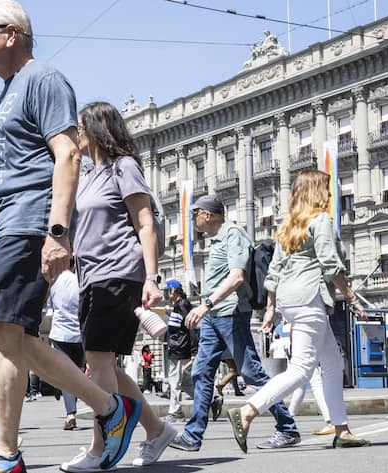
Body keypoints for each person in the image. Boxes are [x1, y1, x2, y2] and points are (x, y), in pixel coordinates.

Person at [0, 2, 141, 471]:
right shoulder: (5, 93)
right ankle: (107, 408)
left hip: (30, 220)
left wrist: (57, 232)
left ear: (12, 34)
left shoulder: (44, 79)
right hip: (6, 222)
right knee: (10, 335)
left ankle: (8, 452)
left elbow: (68, 156)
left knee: (3, 334)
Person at [61, 101, 179, 471]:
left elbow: (145, 223)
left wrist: (150, 277)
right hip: (91, 278)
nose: (75, 135)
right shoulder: (89, 174)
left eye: (79, 128)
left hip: (119, 274)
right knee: (105, 365)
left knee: (96, 362)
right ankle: (157, 430)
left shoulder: (123, 167)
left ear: (96, 130)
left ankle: (101, 449)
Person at [225, 170, 369, 452]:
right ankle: (247, 411)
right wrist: (351, 297)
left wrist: (270, 307)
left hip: (292, 301)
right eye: (326, 188)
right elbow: (331, 265)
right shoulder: (321, 220)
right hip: (309, 298)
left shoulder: (289, 224)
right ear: (316, 191)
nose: (330, 194)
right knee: (301, 369)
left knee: (332, 363)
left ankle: (342, 429)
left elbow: (275, 271)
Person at [170, 194, 300, 452]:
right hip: (214, 317)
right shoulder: (217, 239)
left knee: (252, 372)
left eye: (195, 214)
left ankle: (287, 428)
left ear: (208, 214)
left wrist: (205, 305)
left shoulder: (233, 235)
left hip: (231, 314)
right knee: (201, 372)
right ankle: (193, 435)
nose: (193, 219)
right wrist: (208, 308)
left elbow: (237, 277)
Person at [46, 259, 84, 431]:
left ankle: (70, 413)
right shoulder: (80, 280)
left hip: (60, 334)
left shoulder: (53, 283)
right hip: (79, 335)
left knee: (66, 375)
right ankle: (70, 405)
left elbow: (50, 308)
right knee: (77, 374)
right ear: (73, 265)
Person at [163, 279, 198, 423]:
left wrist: (194, 351)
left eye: (167, 291)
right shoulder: (178, 306)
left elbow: (191, 328)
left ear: (174, 291)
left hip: (180, 349)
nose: (166, 294)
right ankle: (211, 400)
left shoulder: (182, 305)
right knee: (185, 382)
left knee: (174, 381)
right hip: (178, 348)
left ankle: (175, 412)